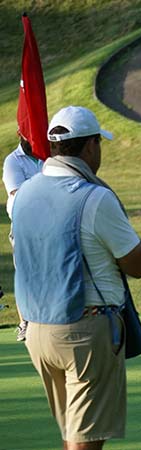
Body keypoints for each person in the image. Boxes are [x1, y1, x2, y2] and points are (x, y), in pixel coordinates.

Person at [12, 106, 141, 449]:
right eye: (98, 144)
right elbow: (138, 264)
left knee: (73, 435)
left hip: (37, 331)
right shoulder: (95, 196)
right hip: (85, 330)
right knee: (85, 441)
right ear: (89, 147)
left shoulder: (24, 194)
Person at [2, 130, 43, 341]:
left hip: (50, 224)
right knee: (25, 275)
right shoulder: (12, 161)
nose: (34, 139)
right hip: (23, 226)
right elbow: (17, 194)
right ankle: (25, 322)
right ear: (21, 134)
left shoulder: (48, 158)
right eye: (30, 135)